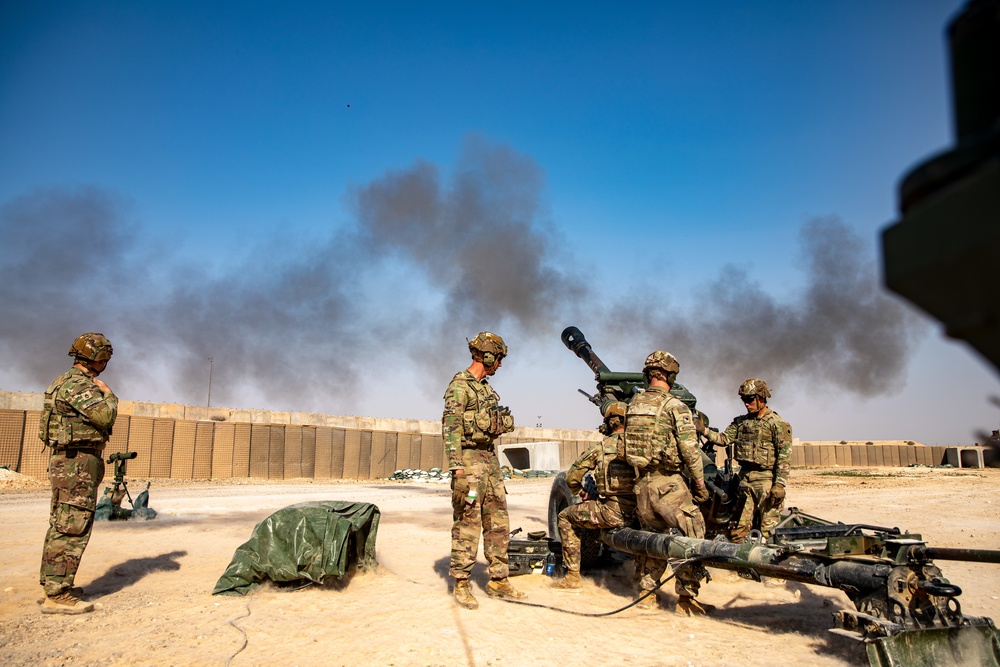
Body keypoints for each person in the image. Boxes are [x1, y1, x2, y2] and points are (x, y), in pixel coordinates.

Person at [624, 351, 711, 615]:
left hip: (642, 486)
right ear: (670, 375)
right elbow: (690, 450)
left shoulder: (634, 404)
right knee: (694, 532)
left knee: (654, 539)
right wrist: (699, 484)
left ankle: (647, 592)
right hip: (667, 483)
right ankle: (686, 597)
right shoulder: (675, 406)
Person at [38, 333, 118, 615]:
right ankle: (57, 594)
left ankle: (54, 583)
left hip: (70, 462)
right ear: (98, 359)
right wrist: (109, 395)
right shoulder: (79, 386)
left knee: (61, 522)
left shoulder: (62, 381)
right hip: (77, 464)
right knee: (73, 525)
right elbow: (104, 417)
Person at [443, 332, 524, 609]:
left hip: (490, 461)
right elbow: (450, 430)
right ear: (488, 356)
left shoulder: (486, 389)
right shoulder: (459, 387)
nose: (500, 365)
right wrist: (458, 471)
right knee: (468, 523)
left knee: (498, 523)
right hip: (468, 463)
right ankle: (462, 583)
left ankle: (499, 580)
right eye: (498, 359)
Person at [550, 401, 636, 590]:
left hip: (612, 513)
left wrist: (581, 491)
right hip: (641, 514)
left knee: (565, 517)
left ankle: (572, 576)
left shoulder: (601, 448)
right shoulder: (642, 449)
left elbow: (572, 476)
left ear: (608, 424)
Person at [698, 378, 792, 542]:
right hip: (744, 479)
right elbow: (723, 439)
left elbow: (784, 456)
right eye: (744, 400)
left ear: (761, 397)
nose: (746, 404)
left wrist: (780, 484)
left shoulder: (777, 424)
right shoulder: (741, 422)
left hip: (766, 481)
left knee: (770, 530)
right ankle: (738, 566)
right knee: (736, 529)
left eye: (749, 399)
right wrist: (703, 430)